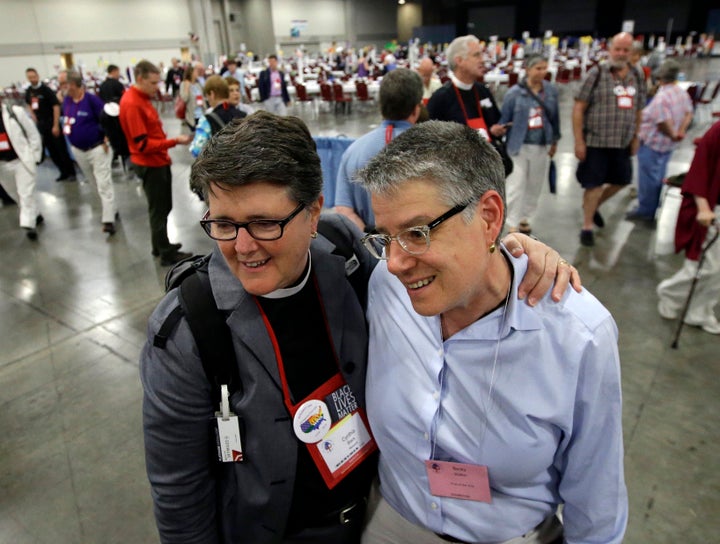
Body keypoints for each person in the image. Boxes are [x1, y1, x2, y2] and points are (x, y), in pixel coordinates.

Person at [140, 111, 581, 544]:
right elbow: (179, 494)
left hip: (372, 516)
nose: (242, 246)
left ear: (314, 212)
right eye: (223, 224)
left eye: (264, 223)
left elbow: (430, 263)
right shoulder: (187, 332)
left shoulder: (344, 251)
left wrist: (507, 253)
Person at [356, 120, 626, 544]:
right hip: (391, 520)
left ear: (489, 216)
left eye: (417, 233)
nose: (394, 262)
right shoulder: (387, 289)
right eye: (385, 237)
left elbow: (596, 496)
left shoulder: (576, 336)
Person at [573, 31, 647, 247]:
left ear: (631, 52)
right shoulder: (596, 73)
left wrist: (636, 137)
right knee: (593, 185)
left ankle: (592, 206)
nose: (621, 53)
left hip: (622, 142)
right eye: (618, 49)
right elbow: (578, 108)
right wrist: (579, 141)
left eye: (626, 50)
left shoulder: (638, 75)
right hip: (596, 142)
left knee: (622, 181)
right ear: (610, 49)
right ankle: (587, 226)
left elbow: (639, 108)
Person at [119, 60, 192, 265]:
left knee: (161, 207)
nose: (157, 87)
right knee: (159, 208)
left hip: (156, 161)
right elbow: (142, 144)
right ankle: (166, 252)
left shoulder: (141, 99)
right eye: (153, 83)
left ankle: (158, 244)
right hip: (150, 163)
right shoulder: (133, 103)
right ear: (140, 79)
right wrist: (173, 141)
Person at [335, 68, 423, 231]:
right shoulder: (431, 150)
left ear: (381, 106)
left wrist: (374, 246)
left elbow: (343, 211)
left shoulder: (353, 151)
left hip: (370, 248)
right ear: (416, 109)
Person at [657, 122, 720, 335]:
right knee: (707, 267)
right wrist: (703, 208)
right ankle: (669, 293)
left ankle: (700, 311)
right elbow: (699, 171)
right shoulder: (717, 131)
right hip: (712, 209)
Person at [427, 35, 508, 172]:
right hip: (458, 174)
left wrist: (496, 130)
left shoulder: (483, 91)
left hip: (488, 169)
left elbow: (495, 123)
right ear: (459, 60)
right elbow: (428, 142)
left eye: (482, 54)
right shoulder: (440, 98)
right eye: (476, 55)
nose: (483, 60)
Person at [499, 54, 560, 235]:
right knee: (516, 184)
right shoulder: (514, 93)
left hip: (541, 144)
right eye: (538, 68)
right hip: (518, 145)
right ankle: (512, 224)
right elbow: (504, 119)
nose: (542, 72)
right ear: (528, 69)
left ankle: (525, 217)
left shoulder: (550, 91)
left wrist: (554, 141)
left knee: (534, 184)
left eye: (544, 68)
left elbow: (555, 117)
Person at [626, 59, 693, 223]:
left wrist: (672, 133)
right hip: (667, 145)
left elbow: (662, 121)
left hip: (653, 144)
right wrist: (680, 132)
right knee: (658, 175)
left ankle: (646, 210)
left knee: (648, 178)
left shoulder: (662, 97)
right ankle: (652, 205)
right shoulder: (680, 92)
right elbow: (688, 113)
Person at [63, 71, 118, 234]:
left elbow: (107, 119)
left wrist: (106, 138)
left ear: (79, 86)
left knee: (103, 183)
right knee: (94, 183)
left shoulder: (92, 100)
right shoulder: (67, 100)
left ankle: (108, 221)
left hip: (97, 148)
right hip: (78, 150)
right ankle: (111, 209)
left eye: (71, 87)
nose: (68, 90)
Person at [0, 96, 43, 240]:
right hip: (3, 165)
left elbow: (33, 133)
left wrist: (35, 155)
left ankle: (28, 224)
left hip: (21, 160)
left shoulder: (15, 112)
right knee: (16, 194)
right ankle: (35, 214)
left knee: (25, 193)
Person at [24, 67, 76, 181]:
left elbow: (56, 106)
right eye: (30, 77)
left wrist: (56, 125)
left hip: (52, 122)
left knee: (61, 149)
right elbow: (29, 104)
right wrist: (33, 116)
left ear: (37, 76)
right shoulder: (29, 91)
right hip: (41, 125)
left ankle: (71, 172)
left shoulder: (46, 90)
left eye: (34, 77)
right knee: (52, 151)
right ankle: (63, 172)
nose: (32, 79)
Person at [189, 75, 246, 158]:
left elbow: (196, 150)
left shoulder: (206, 119)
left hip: (219, 168)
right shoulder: (244, 115)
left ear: (212, 94)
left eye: (207, 96)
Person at [179, 66, 204, 131]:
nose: (197, 73)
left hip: (201, 113)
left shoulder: (198, 84)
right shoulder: (184, 84)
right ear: (191, 73)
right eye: (195, 72)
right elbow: (184, 99)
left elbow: (202, 97)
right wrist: (186, 88)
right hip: (192, 115)